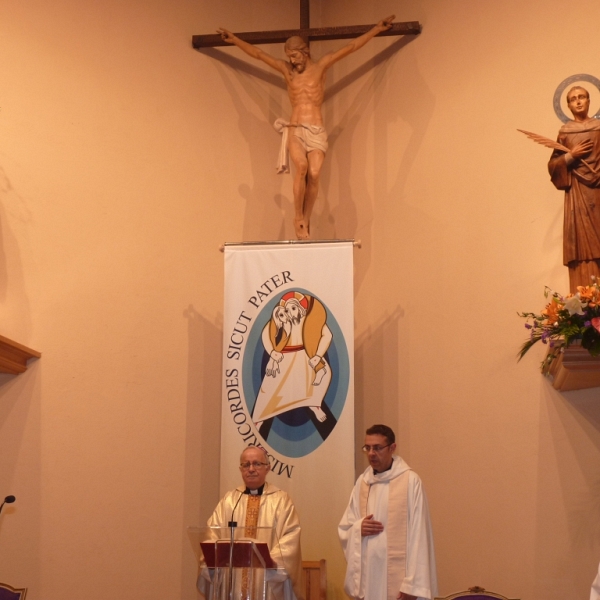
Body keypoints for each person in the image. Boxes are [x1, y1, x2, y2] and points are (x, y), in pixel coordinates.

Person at [217, 16, 395, 240]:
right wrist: (234, 40)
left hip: (316, 130)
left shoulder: (321, 66)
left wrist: (377, 29)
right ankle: (298, 217)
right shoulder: (286, 71)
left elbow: (351, 47)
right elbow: (258, 55)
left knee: (315, 173)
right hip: (295, 128)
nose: (292, 61)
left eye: (294, 56)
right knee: (301, 167)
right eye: (289, 57)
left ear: (305, 52)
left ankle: (306, 218)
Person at [338, 425, 437, 600]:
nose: (371, 453)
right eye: (367, 448)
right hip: (369, 578)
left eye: (377, 448)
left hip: (400, 582)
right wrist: (358, 528)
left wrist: (412, 585)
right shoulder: (363, 482)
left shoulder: (410, 481)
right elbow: (346, 527)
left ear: (392, 448)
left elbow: (419, 534)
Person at [197, 446, 303, 600]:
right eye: (246, 465)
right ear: (241, 469)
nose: (251, 469)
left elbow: (290, 538)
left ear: (268, 468)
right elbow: (212, 533)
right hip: (233, 583)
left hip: (266, 583)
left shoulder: (281, 501)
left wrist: (269, 561)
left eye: (257, 464)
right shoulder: (229, 501)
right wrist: (214, 555)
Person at [253, 291, 332, 428]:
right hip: (285, 357)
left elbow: (327, 335)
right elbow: (266, 333)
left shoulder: (311, 319)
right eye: (287, 309)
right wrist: (272, 352)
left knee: (323, 374)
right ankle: (259, 418)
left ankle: (314, 405)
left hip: (306, 354)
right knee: (269, 388)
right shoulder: (283, 320)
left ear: (301, 308)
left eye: (293, 308)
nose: (290, 312)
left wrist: (318, 356)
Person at [548, 85, 600, 292]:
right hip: (577, 196)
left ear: (589, 101)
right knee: (581, 249)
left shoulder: (599, 129)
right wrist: (571, 156)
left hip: (598, 194)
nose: (578, 101)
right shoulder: (565, 133)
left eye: (582, 97)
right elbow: (553, 166)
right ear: (568, 106)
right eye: (573, 99)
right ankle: (588, 305)